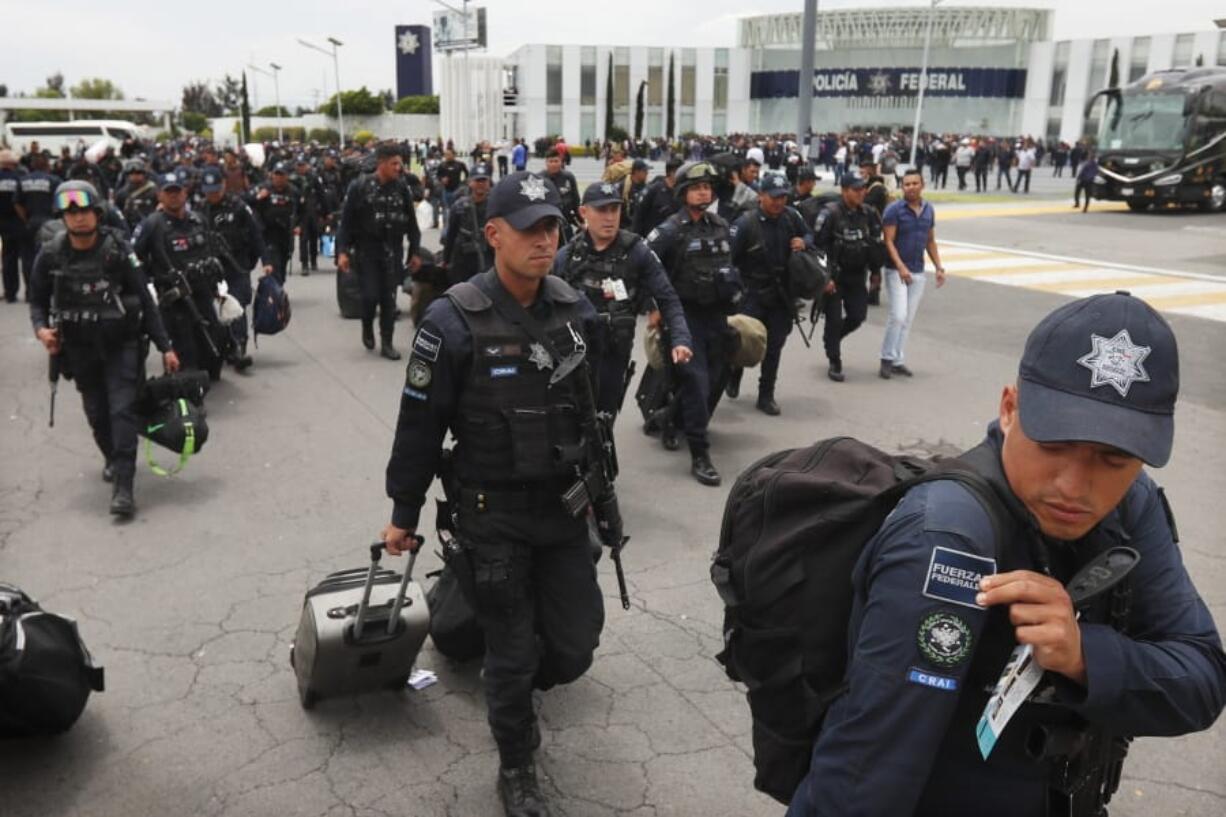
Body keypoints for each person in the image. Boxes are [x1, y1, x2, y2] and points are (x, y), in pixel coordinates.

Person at [786, 291, 1226, 817]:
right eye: (1055, 444)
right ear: (1010, 409)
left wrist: (1084, 655)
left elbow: (1201, 679)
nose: (1075, 487)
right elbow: (866, 771)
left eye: (1113, 458)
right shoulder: (948, 538)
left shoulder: (1132, 503)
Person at [381, 171, 608, 817]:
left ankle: (506, 668)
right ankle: (517, 767)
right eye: (530, 227)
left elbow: (591, 408)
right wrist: (403, 511)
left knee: (574, 644)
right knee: (511, 651)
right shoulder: (450, 320)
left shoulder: (572, 306)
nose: (545, 239)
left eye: (553, 227)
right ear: (493, 233)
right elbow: (418, 426)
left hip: (564, 508)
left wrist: (602, 488)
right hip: (492, 515)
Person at [29, 180, 180, 517]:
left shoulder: (118, 251)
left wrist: (166, 347)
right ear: (62, 217)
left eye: (84, 210)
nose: (78, 218)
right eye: (70, 212)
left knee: (122, 410)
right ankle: (112, 457)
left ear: (96, 213)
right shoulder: (51, 253)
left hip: (121, 345)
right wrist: (41, 331)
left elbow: (145, 300)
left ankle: (124, 487)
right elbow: (37, 300)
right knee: (97, 413)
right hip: (79, 349)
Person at [553, 181, 693, 418]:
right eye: (601, 210)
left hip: (613, 354)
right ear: (584, 212)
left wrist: (681, 338)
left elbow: (667, 298)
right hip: (573, 354)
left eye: (614, 209)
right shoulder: (567, 255)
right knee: (570, 420)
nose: (609, 217)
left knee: (604, 422)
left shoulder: (637, 251)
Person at [646, 161, 744, 486]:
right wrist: (655, 306)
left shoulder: (720, 225)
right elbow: (644, 265)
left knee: (715, 379)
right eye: (696, 187)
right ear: (683, 193)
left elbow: (731, 266)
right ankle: (700, 455)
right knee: (696, 383)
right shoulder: (670, 230)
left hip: (716, 316)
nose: (704, 192)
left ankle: (669, 419)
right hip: (684, 317)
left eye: (707, 187)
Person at [727, 173, 813, 415]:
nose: (778, 202)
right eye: (774, 197)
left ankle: (766, 395)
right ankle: (734, 374)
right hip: (751, 294)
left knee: (774, 346)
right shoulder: (745, 223)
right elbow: (728, 261)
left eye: (783, 196)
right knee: (742, 342)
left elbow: (809, 235)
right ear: (762, 196)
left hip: (781, 294)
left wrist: (803, 242)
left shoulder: (791, 217)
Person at [133, 172, 233, 379]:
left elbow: (212, 251)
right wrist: (147, 283)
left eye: (177, 191)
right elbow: (134, 258)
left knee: (213, 349)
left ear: (185, 193)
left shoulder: (198, 220)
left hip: (203, 294)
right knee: (185, 353)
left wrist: (218, 287)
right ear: (160, 195)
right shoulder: (151, 225)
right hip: (174, 299)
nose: (173, 196)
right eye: (168, 192)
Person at [336, 142, 423, 360]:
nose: (398, 168)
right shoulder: (359, 187)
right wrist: (342, 252)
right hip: (367, 252)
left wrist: (415, 252)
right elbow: (345, 223)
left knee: (388, 298)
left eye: (399, 164)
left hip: (392, 251)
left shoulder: (402, 188)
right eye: (394, 164)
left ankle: (387, 343)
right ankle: (367, 326)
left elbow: (412, 224)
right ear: (381, 163)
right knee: (370, 296)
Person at [813, 175, 884, 382]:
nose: (861, 193)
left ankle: (832, 339)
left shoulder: (869, 214)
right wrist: (824, 278)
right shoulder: (830, 214)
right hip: (834, 277)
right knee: (834, 319)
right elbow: (818, 248)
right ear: (844, 191)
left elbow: (874, 245)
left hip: (856, 275)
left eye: (863, 189)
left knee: (857, 316)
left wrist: (876, 272)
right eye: (856, 189)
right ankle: (834, 360)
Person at [199, 165, 269, 369]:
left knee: (237, 305)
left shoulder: (238, 206)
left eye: (216, 190)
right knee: (216, 308)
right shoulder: (199, 210)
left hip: (236, 265)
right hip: (211, 268)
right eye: (208, 192)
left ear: (223, 185)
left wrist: (266, 261)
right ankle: (222, 346)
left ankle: (239, 346)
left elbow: (256, 234)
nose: (212, 195)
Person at [879, 169, 945, 379]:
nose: (911, 187)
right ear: (902, 187)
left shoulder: (928, 210)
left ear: (922, 185)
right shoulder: (894, 210)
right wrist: (900, 266)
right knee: (898, 315)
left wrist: (939, 267)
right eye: (907, 184)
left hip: (917, 270)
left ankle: (898, 359)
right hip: (896, 270)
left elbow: (930, 240)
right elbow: (888, 240)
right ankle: (886, 359)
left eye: (915, 183)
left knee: (907, 319)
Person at [441, 162, 493, 285]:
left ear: (489, 183)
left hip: (486, 257)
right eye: (477, 181)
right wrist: (446, 259)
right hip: (462, 259)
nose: (481, 184)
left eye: (484, 180)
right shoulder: (459, 206)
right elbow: (451, 235)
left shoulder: (494, 206)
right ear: (470, 182)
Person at [250, 162, 299, 284]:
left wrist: (298, 225)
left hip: (286, 232)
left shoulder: (294, 191)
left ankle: (279, 285)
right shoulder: (263, 188)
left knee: (283, 260)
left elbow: (302, 210)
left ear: (286, 176)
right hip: (268, 232)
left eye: (281, 175)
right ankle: (275, 290)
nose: (279, 178)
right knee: (273, 261)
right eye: (276, 174)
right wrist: (258, 197)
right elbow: (248, 202)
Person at [630, 156, 682, 238]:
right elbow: (638, 218)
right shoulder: (653, 190)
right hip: (651, 241)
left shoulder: (682, 192)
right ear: (673, 173)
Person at [292, 155, 327, 274]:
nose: (301, 168)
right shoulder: (293, 179)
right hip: (301, 214)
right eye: (299, 165)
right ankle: (304, 264)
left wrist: (325, 212)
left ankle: (313, 260)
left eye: (303, 165)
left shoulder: (313, 178)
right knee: (303, 239)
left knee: (314, 237)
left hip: (313, 211)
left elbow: (321, 194)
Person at [0, 150, 27, 303]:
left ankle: (10, 293)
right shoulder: (19, 179)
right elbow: (22, 201)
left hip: (2, 223)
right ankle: (30, 291)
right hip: (18, 222)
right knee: (26, 257)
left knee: (7, 258)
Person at [542, 148, 581, 238]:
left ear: (561, 162)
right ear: (546, 163)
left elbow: (576, 201)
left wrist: (581, 221)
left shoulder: (568, 177)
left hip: (565, 221)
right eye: (550, 161)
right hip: (546, 224)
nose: (553, 164)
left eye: (556, 161)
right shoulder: (539, 178)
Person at [114, 160, 159, 230]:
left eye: (138, 173)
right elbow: (118, 213)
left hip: (151, 226)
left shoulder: (153, 190)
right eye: (132, 173)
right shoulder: (122, 193)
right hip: (130, 227)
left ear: (143, 174)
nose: (135, 176)